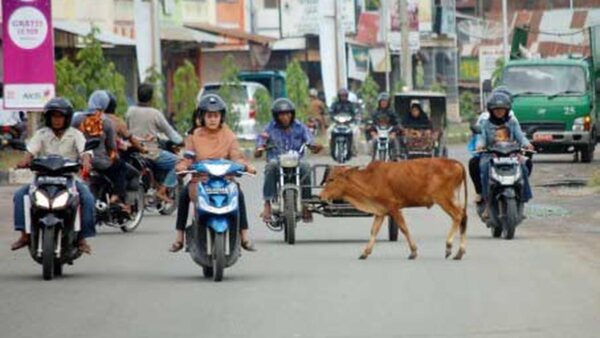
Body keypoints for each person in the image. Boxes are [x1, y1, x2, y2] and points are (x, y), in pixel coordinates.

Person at [170, 94, 257, 253]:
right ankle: (179, 237)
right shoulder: (194, 135)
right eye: (209, 115)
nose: (212, 119)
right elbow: (188, 158)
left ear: (221, 117)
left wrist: (246, 166)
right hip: (200, 181)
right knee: (183, 195)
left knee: (239, 194)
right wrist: (182, 166)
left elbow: (237, 156)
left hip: (225, 181)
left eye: (216, 115)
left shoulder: (228, 134)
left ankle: (244, 236)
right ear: (202, 117)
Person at [11, 97, 96, 253]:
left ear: (67, 118)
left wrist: (86, 161)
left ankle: (82, 237)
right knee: (20, 195)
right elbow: (30, 151)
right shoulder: (41, 134)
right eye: (53, 116)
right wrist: (24, 161)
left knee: (88, 198)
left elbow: (85, 151)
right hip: (42, 179)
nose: (56, 120)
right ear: (48, 118)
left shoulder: (75, 134)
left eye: (60, 116)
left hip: (69, 179)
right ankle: (24, 235)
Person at [255, 98, 323, 224]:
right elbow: (260, 143)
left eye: (288, 113)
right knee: (271, 165)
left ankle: (306, 204)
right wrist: (260, 147)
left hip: (296, 161)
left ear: (292, 114)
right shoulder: (269, 128)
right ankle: (267, 204)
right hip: (277, 161)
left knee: (306, 167)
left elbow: (310, 141)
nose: (285, 117)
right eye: (281, 114)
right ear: (276, 116)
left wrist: (314, 146)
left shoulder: (300, 127)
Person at [475, 91, 534, 213]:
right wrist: (480, 146)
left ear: (507, 110)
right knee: (484, 167)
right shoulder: (485, 124)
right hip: (491, 154)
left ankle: (522, 195)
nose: (499, 112)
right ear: (491, 110)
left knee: (524, 165)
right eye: (496, 109)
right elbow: (482, 138)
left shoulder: (512, 122)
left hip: (511, 153)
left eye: (502, 109)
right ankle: (486, 200)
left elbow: (520, 137)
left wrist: (527, 144)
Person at [72, 91, 130, 210]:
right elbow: (112, 146)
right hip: (102, 163)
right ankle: (116, 196)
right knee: (121, 166)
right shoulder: (107, 122)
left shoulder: (77, 119)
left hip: (80, 161)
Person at [126, 83, 183, 203]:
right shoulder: (154, 113)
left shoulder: (130, 111)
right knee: (180, 162)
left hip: (132, 150)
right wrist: (181, 141)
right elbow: (170, 132)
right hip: (150, 151)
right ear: (151, 98)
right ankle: (162, 190)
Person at [328, 88, 361, 155]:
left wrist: (353, 118)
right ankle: (332, 148)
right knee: (329, 131)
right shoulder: (335, 104)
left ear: (347, 96)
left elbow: (354, 113)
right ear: (339, 96)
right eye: (341, 95)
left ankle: (354, 150)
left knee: (356, 132)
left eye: (344, 96)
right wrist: (332, 117)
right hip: (337, 123)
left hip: (349, 123)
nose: (343, 97)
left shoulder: (350, 104)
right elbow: (331, 112)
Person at [367, 92, 400, 159]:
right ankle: (373, 158)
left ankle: (396, 156)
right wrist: (373, 132)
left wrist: (394, 132)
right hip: (378, 133)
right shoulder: (375, 112)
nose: (383, 103)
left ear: (388, 102)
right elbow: (371, 123)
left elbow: (397, 122)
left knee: (394, 140)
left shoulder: (392, 112)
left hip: (389, 133)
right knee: (373, 141)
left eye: (385, 101)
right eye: (382, 101)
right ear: (379, 102)